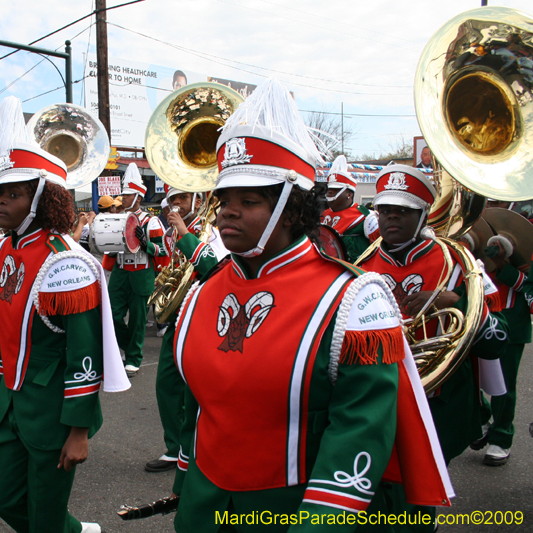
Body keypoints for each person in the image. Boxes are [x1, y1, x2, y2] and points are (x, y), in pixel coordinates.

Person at [170, 79, 453, 531]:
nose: (226, 211)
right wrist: (185, 483)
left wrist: (319, 521)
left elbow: (360, 426)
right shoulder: (203, 291)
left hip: (295, 511)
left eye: (248, 200)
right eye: (223, 199)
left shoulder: (354, 298)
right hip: (203, 506)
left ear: (291, 206)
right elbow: (198, 407)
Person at [0, 96, 129, 533]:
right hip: (9, 404)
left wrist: (79, 430)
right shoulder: (1, 250)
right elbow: (7, 336)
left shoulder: (66, 263)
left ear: (41, 197)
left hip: (54, 413)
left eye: (14, 194)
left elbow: (84, 352)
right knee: (3, 501)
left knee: (44, 518)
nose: (0, 202)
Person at [358, 164, 509, 465]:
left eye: (403, 210)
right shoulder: (360, 264)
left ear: (423, 214)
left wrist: (456, 301)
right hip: (376, 392)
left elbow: (498, 338)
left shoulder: (459, 263)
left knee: (423, 493)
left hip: (440, 400)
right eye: (384, 209)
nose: (391, 216)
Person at [146, 185, 226, 474]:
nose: (175, 204)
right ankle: (175, 448)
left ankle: (196, 449)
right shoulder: (174, 231)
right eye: (172, 199)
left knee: (198, 390)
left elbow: (215, 268)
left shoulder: (212, 230)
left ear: (197, 198)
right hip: (180, 315)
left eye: (181, 198)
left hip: (205, 316)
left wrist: (185, 235)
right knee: (166, 384)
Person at [471, 207, 532, 466]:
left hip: (512, 322)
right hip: (479, 316)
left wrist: (503, 265)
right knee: (469, 376)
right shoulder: (481, 227)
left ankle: (501, 437)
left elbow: (526, 285)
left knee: (504, 386)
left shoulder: (527, 238)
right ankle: (482, 416)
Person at [103, 163, 166, 377]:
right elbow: (108, 247)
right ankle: (128, 350)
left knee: (139, 319)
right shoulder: (116, 218)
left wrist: (145, 242)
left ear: (138, 197)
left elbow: (162, 249)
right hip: (120, 272)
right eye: (123, 195)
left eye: (128, 195)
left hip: (142, 272)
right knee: (112, 315)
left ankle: (134, 357)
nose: (124, 198)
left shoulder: (152, 220)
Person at [320, 155, 371, 262]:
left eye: (336, 189)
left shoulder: (365, 217)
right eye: (329, 189)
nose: (330, 192)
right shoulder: (322, 215)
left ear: (349, 194)